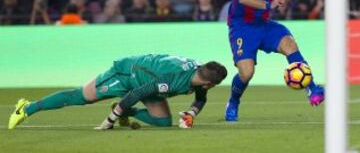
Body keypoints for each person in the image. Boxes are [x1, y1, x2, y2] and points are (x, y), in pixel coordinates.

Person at [224, 0, 325, 122]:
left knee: (289, 44)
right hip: (242, 26)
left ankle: (312, 88)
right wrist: (269, 4)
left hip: (264, 24)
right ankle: (233, 101)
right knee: (246, 73)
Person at [8, 54, 227, 130]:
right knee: (82, 98)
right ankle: (26, 108)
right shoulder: (173, 81)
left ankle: (126, 112)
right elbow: (137, 93)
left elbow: (200, 98)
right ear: (210, 83)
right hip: (127, 72)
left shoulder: (202, 72)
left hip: (148, 78)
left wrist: (191, 114)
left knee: (162, 122)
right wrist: (110, 120)